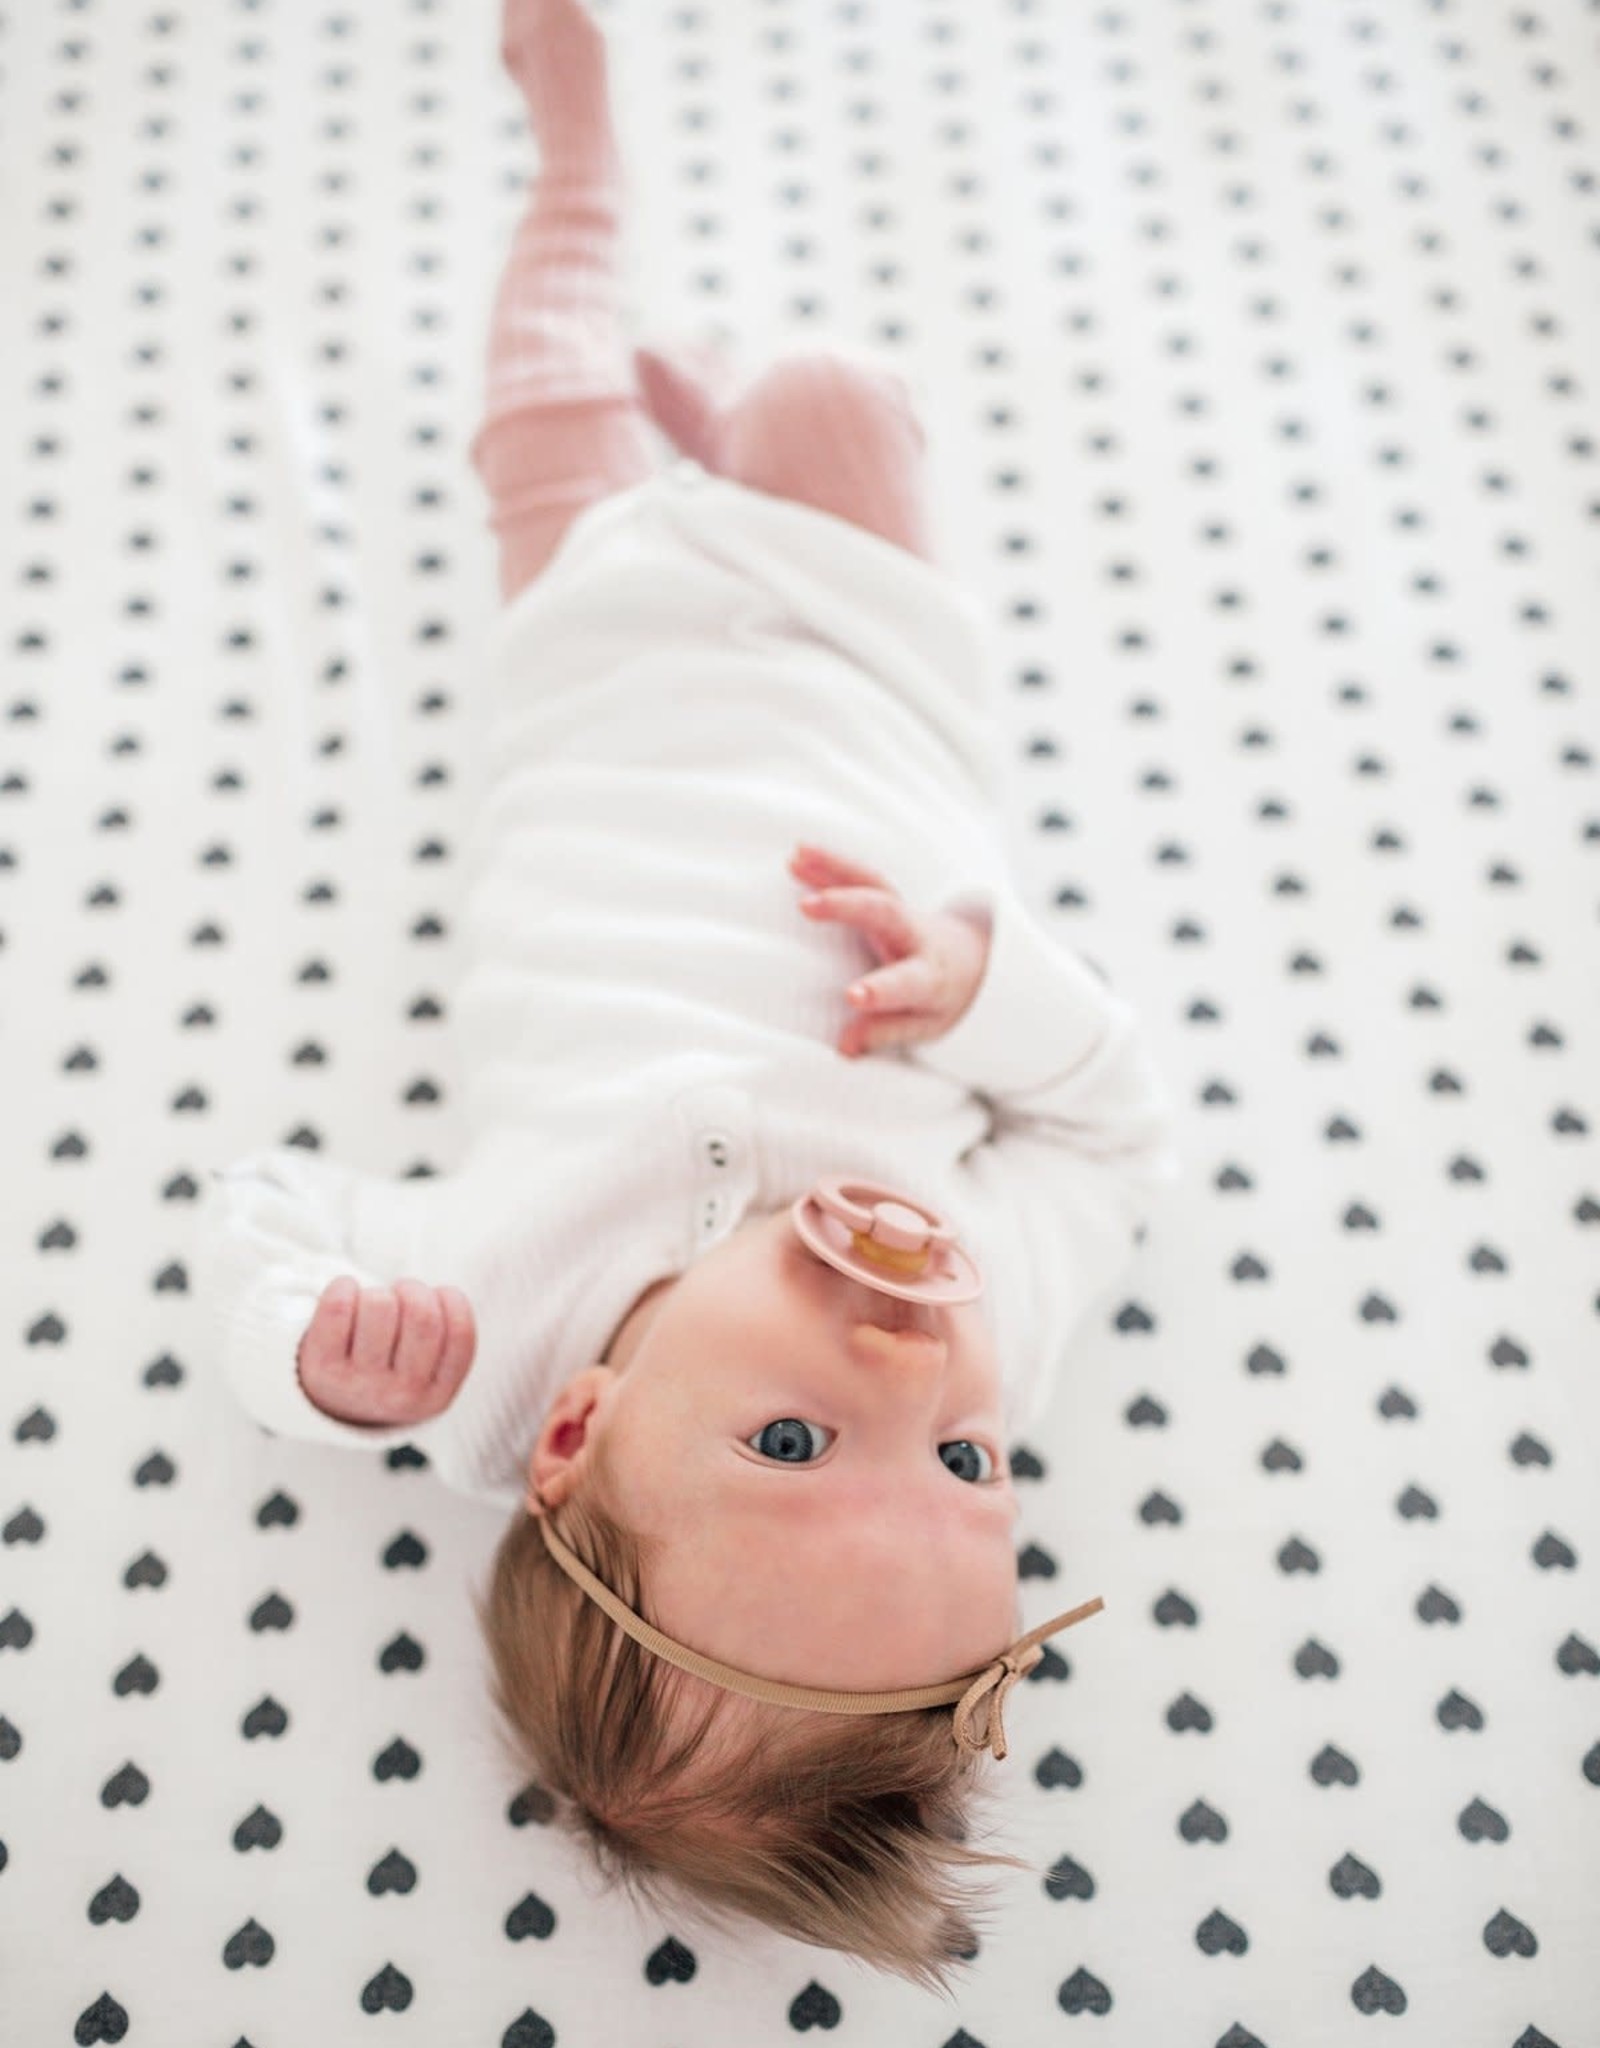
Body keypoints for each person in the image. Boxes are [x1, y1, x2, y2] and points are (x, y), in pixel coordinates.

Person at [198, 0, 1182, 1996]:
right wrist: (986, 993)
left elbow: (261, 1223)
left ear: (573, 1430)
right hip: (854, 659)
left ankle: (577, 156)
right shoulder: (1004, 1287)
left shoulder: (480, 1332)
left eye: (798, 1447)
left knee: (539, 375)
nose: (917, 1374)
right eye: (975, 1466)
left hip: (587, 658)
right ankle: (738, 426)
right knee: (839, 392)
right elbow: (1116, 1127)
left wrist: (311, 1352)